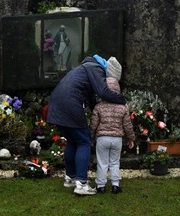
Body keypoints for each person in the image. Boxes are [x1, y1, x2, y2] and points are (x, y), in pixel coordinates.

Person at [47, 54, 127, 195]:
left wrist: (100, 110)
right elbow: (103, 91)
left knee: (73, 140)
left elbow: (91, 99)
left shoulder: (86, 67)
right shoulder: (96, 69)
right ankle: (82, 184)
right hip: (69, 104)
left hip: (55, 104)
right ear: (109, 74)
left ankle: (70, 178)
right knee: (84, 141)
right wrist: (122, 100)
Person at [90, 57, 135, 194]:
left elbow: (93, 125)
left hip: (102, 138)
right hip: (117, 139)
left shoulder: (98, 107)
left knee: (102, 162)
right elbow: (127, 124)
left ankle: (101, 186)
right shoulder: (123, 107)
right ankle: (115, 185)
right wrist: (131, 138)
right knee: (115, 162)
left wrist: (91, 138)